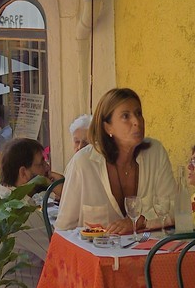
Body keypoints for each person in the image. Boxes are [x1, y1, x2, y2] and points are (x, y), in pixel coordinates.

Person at [55, 88, 174, 233]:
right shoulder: (83, 163)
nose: (136, 121)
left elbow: (173, 208)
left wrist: (140, 221)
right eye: (126, 116)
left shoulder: (155, 152)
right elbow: (63, 229)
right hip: (96, 253)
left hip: (149, 253)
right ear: (107, 127)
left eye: (138, 113)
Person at [0, 137, 53, 288]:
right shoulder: (23, 212)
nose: (47, 168)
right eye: (41, 164)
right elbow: (59, 256)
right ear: (24, 173)